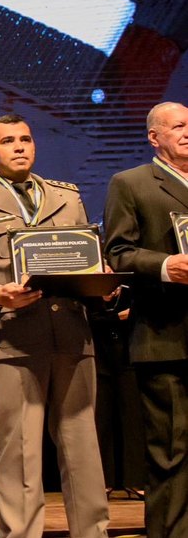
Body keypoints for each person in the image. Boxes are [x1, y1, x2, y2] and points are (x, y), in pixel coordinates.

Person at [0, 113, 109, 537]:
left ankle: (92, 532)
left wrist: (103, 282)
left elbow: (84, 255)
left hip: (72, 335)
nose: (19, 146)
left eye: (25, 138)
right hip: (12, 338)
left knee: (82, 448)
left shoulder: (66, 196)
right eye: (8, 141)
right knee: (19, 450)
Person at [104, 101, 188, 538]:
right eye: (178, 126)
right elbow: (117, 252)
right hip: (165, 335)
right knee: (171, 450)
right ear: (154, 137)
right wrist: (165, 266)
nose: (187, 131)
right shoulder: (131, 183)